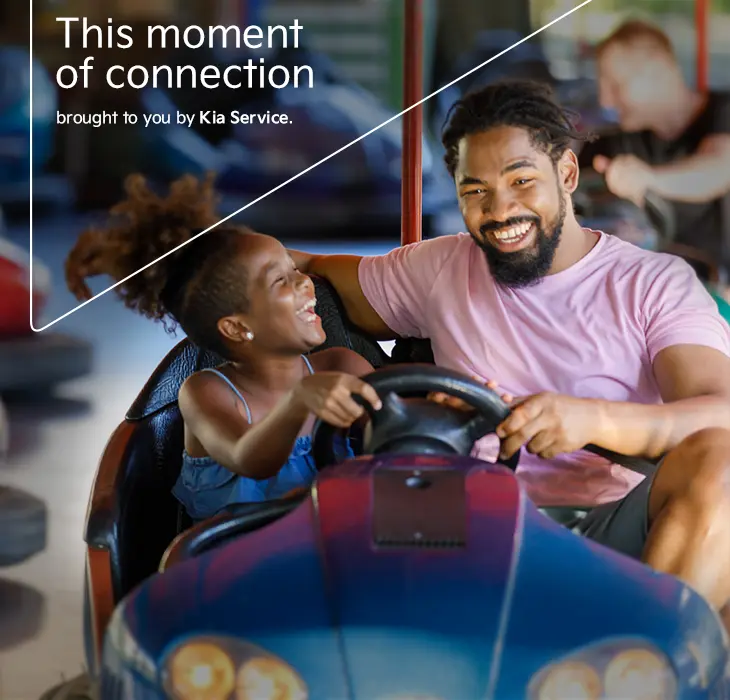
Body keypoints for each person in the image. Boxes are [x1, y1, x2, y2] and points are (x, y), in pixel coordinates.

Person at [289, 79, 730, 629]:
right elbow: (293, 269)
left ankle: (634, 663)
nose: (500, 210)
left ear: (566, 174)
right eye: (475, 191)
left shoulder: (653, 283)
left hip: (614, 532)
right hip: (466, 525)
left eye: (521, 181)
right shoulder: (439, 267)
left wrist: (589, 418)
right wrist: (183, 250)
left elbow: (719, 414)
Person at [64, 173, 382, 522]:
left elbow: (398, 431)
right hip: (234, 566)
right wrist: (299, 400)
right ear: (237, 326)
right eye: (280, 280)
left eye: (294, 269)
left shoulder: (343, 365)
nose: (305, 281)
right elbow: (248, 458)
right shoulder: (205, 393)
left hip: (339, 556)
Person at [578, 19, 730, 274]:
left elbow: (719, 169)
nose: (606, 101)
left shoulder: (722, 112)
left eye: (616, 85)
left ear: (659, 71)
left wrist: (646, 179)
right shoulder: (613, 143)